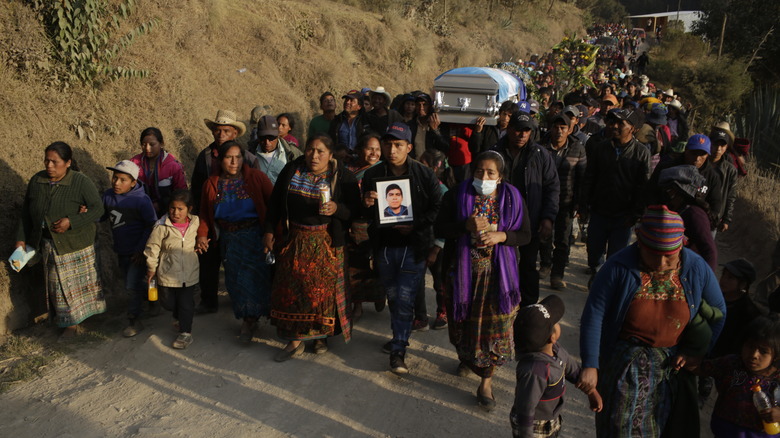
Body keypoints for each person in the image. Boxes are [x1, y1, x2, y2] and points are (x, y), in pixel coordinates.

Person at [578, 206, 726, 437]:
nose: (662, 262)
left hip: (670, 368)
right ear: (640, 245)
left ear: (681, 246)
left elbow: (719, 311)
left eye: (669, 255)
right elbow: (594, 314)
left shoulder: (696, 268)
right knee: (619, 427)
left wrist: (697, 353)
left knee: (663, 427)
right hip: (626, 365)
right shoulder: (618, 267)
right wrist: (590, 364)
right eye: (654, 254)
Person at [435, 151, 531, 410]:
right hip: (462, 276)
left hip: (499, 280)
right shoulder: (456, 195)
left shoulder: (513, 199)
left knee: (494, 329)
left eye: (490, 173)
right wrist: (463, 227)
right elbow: (439, 228)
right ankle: (468, 357)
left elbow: (525, 235)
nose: (484, 177)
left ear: (500, 177)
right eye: (479, 171)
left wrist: (502, 236)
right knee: (462, 327)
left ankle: (486, 382)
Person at [264, 134, 360, 361]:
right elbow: (275, 204)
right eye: (310, 150)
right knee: (293, 290)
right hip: (295, 240)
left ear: (330, 155)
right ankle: (295, 340)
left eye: (320, 152)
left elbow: (355, 211)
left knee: (320, 294)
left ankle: (320, 336)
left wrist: (337, 208)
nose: (314, 156)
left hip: (325, 244)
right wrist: (268, 232)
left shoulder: (342, 177)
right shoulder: (292, 171)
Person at [363, 122, 442, 374]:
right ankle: (400, 334)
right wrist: (366, 202)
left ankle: (398, 350)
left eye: (398, 145)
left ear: (409, 147)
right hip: (384, 247)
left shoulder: (424, 174)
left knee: (406, 298)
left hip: (413, 247)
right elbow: (364, 213)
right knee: (394, 297)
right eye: (388, 144)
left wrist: (416, 225)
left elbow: (439, 208)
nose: (391, 149)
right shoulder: (372, 175)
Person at [15, 142, 106, 338]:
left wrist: (71, 221)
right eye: (46, 160)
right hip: (49, 244)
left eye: (54, 162)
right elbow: (25, 214)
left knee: (77, 287)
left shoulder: (81, 182)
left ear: (67, 163)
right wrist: (21, 240)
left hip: (76, 244)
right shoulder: (36, 181)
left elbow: (98, 208)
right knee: (57, 286)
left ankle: (72, 325)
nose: (49, 165)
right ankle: (67, 321)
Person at [196, 141, 274, 344]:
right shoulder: (211, 184)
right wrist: (202, 234)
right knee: (237, 281)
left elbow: (273, 206)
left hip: (255, 236)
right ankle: (248, 318)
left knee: (258, 278)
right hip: (230, 240)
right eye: (229, 157)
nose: (234, 162)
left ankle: (255, 317)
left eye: (238, 157)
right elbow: (205, 213)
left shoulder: (256, 178)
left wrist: (271, 233)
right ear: (221, 160)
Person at [191, 109, 260, 314]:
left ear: (235, 134)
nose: (220, 134)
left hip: (240, 219)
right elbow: (196, 187)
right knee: (209, 260)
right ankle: (209, 300)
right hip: (211, 215)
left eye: (226, 130)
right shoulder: (204, 156)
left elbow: (257, 191)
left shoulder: (247, 158)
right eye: (217, 130)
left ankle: (241, 300)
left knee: (240, 263)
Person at [511, 295, 603, 436]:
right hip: (535, 425)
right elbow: (525, 411)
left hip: (552, 418)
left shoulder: (556, 350)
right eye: (556, 322)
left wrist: (591, 392)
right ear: (552, 337)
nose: (559, 323)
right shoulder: (534, 372)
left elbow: (572, 370)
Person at [493, 112, 560, 306]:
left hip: (530, 221)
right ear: (508, 128)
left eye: (526, 130)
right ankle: (502, 304)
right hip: (500, 222)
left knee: (528, 266)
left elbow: (552, 187)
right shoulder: (495, 153)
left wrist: (548, 218)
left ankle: (529, 308)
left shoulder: (540, 155)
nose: (522, 134)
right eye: (518, 129)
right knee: (500, 264)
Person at [582, 108, 650, 285]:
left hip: (623, 216)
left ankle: (603, 282)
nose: (615, 126)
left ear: (633, 128)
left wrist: (635, 214)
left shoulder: (641, 153)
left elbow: (643, 187)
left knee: (616, 254)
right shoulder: (600, 148)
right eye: (612, 122)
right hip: (599, 211)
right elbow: (590, 177)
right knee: (594, 250)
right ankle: (597, 272)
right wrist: (584, 205)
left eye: (621, 123)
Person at [691, 316, 780, 437]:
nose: (754, 355)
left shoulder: (777, 378)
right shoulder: (731, 364)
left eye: (763, 351)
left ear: (776, 356)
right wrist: (684, 359)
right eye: (750, 346)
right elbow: (700, 368)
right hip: (724, 432)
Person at [101, 160, 157, 337]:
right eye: (115, 178)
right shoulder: (108, 196)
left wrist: (141, 249)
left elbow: (151, 225)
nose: (116, 183)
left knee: (131, 285)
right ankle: (150, 302)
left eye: (122, 180)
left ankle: (134, 320)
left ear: (133, 182)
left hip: (137, 252)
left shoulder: (141, 200)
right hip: (121, 250)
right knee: (131, 283)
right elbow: (101, 216)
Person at [144, 189, 200, 349]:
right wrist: (151, 268)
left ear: (189, 209)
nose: (176, 212)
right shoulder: (162, 226)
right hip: (168, 271)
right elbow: (152, 247)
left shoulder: (195, 222)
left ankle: (185, 333)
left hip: (189, 271)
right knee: (168, 302)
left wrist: (203, 239)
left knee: (186, 303)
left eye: (180, 209)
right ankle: (177, 315)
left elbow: (204, 231)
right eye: (172, 208)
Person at [539, 113, 586, 290]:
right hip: (544, 199)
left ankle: (557, 275)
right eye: (556, 127)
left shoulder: (577, 148)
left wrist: (579, 202)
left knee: (563, 239)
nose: (559, 131)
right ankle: (545, 264)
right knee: (544, 234)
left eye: (563, 128)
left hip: (566, 200)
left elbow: (582, 177)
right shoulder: (541, 147)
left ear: (570, 130)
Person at [412, 149, 455, 331]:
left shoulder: (443, 191)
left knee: (440, 281)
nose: (418, 167)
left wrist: (437, 248)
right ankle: (420, 317)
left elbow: (447, 223)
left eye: (424, 164)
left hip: (437, 244)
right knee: (417, 282)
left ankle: (442, 313)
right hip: (419, 241)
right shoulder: (415, 186)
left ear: (435, 168)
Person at [347, 133, 384, 322]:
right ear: (361, 150)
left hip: (377, 224)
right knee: (356, 266)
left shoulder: (385, 170)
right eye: (370, 148)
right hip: (357, 222)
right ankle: (358, 304)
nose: (374, 153)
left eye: (377, 149)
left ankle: (379, 295)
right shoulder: (349, 171)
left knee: (378, 263)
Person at [657, 165, 718, 271]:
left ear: (680, 193)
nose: (667, 195)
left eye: (669, 191)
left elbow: (709, 252)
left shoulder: (695, 215)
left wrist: (706, 282)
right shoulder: (678, 211)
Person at [130, 127, 188, 216]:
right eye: (143, 144)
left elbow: (181, 193)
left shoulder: (173, 166)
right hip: (140, 211)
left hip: (167, 213)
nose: (147, 148)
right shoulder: (134, 163)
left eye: (152, 144)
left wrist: (161, 205)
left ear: (161, 144)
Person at [251, 115, 303, 185]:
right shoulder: (250, 154)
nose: (267, 142)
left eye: (271, 138)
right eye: (263, 138)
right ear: (258, 136)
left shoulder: (292, 152)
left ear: (278, 135)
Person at [709, 128, 738, 235]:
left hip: (714, 217)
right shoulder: (700, 161)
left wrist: (726, 219)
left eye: (722, 146)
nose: (718, 149)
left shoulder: (730, 170)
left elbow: (730, 196)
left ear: (726, 148)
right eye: (716, 144)